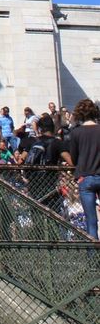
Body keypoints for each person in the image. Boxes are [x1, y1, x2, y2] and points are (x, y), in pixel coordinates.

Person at [62, 97, 100, 239]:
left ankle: (94, 258)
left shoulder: (76, 133)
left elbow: (74, 158)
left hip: (85, 177)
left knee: (91, 221)